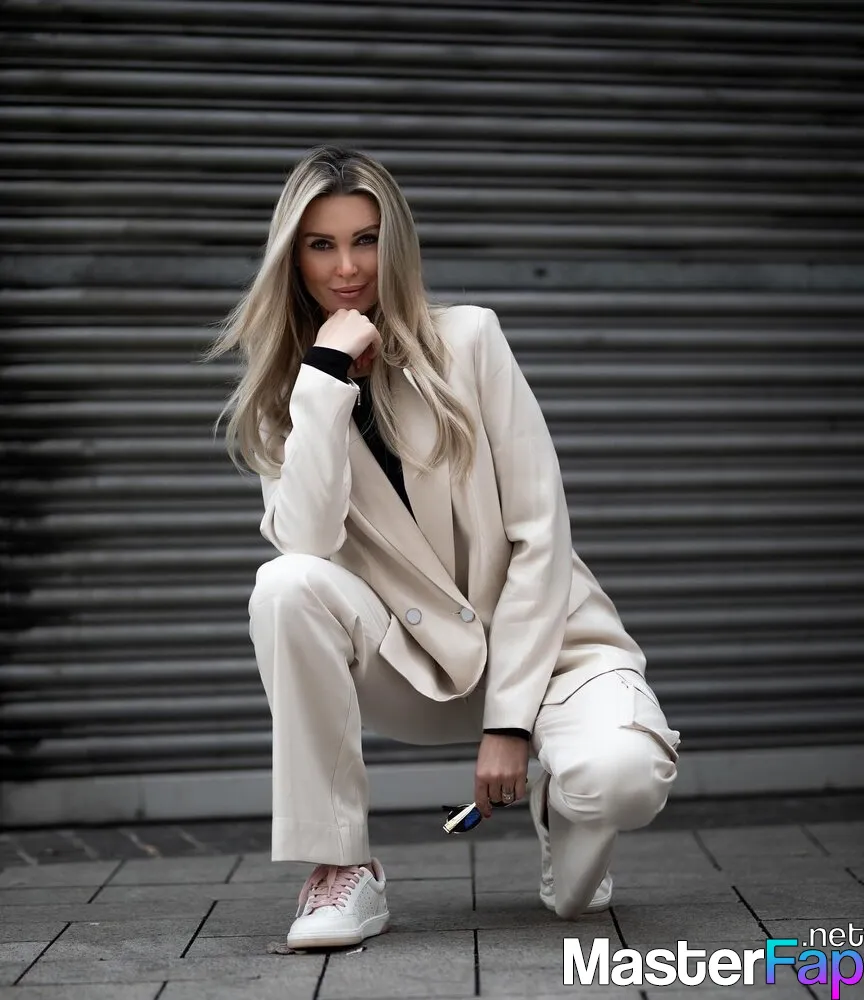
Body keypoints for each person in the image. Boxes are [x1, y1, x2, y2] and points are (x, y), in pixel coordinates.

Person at [209, 144, 680, 950]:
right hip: (420, 666)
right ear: (293, 256)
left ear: (396, 244)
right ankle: (341, 867)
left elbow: (539, 535)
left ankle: (562, 796)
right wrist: (324, 378)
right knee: (284, 585)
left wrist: (512, 725)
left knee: (621, 782)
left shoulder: (469, 340)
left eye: (366, 239)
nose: (347, 267)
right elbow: (307, 543)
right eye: (322, 245)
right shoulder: (291, 386)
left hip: (550, 653)